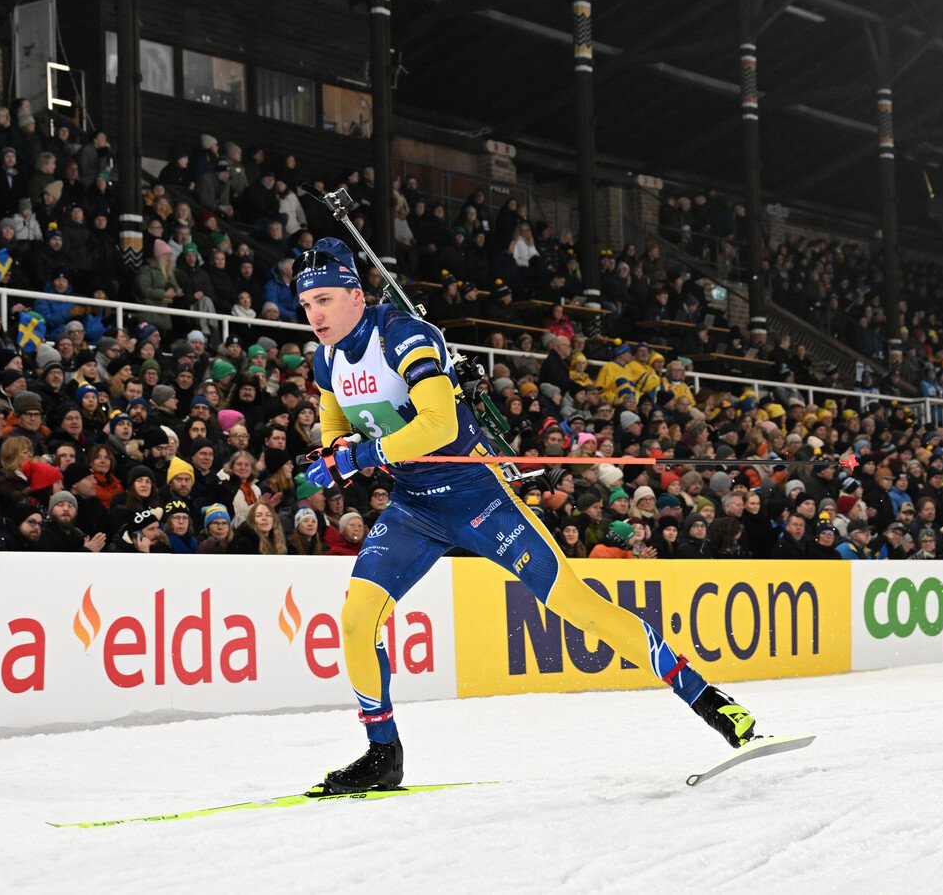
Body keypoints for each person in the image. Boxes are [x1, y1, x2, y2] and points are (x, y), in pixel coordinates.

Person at [295, 237, 757, 794]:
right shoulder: (326, 358)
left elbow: (439, 425)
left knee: (578, 606)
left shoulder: (403, 335)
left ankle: (710, 702)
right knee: (356, 619)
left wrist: (363, 455)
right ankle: (382, 753)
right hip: (414, 506)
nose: (314, 315)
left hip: (475, 496)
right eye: (306, 305)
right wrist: (333, 456)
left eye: (323, 300)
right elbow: (333, 422)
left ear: (354, 295)